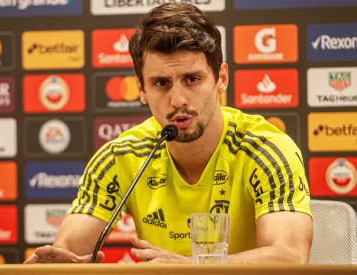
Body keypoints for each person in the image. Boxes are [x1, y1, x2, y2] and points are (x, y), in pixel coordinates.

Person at [24, 3, 313, 265]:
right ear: (141, 90)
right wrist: (60, 263)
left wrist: (188, 267)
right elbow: (70, 247)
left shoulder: (265, 149)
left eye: (192, 79)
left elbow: (289, 256)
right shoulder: (121, 156)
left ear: (221, 78)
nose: (178, 100)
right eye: (161, 83)